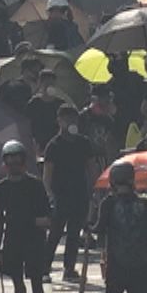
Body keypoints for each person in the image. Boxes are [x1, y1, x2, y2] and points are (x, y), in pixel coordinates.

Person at [0, 139, 53, 293]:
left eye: (17, 161)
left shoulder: (35, 185)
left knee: (37, 287)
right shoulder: (1, 188)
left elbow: (46, 215)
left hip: (34, 241)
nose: (14, 166)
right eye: (10, 162)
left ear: (23, 162)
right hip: (13, 240)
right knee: (18, 287)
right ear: (4, 164)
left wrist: (37, 222)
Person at [93, 161, 147, 293]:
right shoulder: (144, 204)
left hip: (116, 263)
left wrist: (89, 228)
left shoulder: (108, 203)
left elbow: (99, 228)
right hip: (142, 263)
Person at [44, 103, 97, 280]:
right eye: (66, 119)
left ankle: (69, 269)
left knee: (74, 235)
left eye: (73, 119)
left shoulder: (84, 143)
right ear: (59, 121)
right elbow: (47, 175)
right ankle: (44, 268)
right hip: (61, 196)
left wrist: (94, 191)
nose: (70, 122)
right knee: (55, 233)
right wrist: (50, 195)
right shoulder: (54, 145)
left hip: (80, 194)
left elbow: (91, 168)